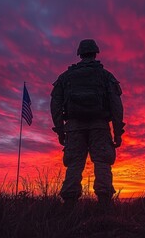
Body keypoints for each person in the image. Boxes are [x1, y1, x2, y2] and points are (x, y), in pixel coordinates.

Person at [50, 39, 125, 210]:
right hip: (99, 126)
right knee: (102, 162)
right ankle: (105, 206)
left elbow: (55, 105)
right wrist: (118, 132)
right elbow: (116, 105)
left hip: (74, 127)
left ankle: (69, 207)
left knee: (74, 164)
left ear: (80, 53)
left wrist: (60, 131)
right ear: (95, 52)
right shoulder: (106, 75)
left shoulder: (65, 77)